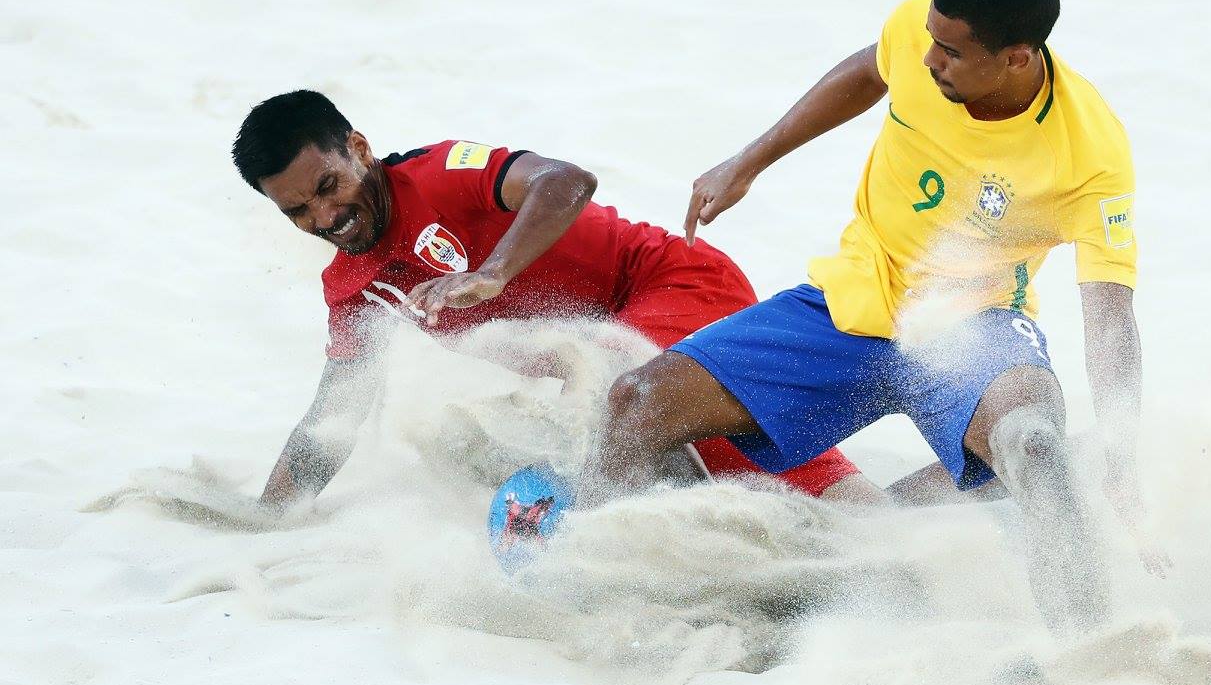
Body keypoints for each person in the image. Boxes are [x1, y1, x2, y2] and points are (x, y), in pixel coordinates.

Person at [583, 0, 1161, 633]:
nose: (928, 59)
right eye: (930, 40)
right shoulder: (919, 35)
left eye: (951, 52)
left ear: (1016, 58)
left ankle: (1092, 645)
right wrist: (749, 161)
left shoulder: (1089, 153)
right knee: (635, 402)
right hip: (850, 299)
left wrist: (1123, 450)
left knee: (1034, 443)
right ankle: (647, 589)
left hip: (971, 326)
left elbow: (1109, 311)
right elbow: (868, 70)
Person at [229, 91, 881, 509]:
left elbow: (566, 181)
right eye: (298, 211)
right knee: (711, 457)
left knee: (625, 405)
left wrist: (492, 272)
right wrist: (267, 521)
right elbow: (331, 420)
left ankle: (811, 530)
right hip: (616, 358)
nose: (326, 216)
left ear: (359, 150)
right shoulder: (352, 289)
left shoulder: (438, 175)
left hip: (671, 282)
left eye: (328, 186)